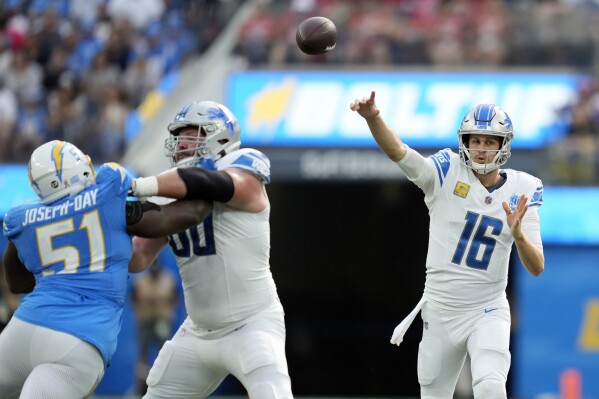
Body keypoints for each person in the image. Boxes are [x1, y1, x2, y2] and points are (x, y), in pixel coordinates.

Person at [350, 92, 544, 399]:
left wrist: (519, 235)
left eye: (489, 142)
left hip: (488, 307)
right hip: (441, 308)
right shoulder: (445, 172)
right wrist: (374, 118)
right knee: (434, 394)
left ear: (503, 145)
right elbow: (399, 153)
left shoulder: (523, 189)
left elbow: (536, 267)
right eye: (475, 141)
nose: (480, 150)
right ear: (465, 142)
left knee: (491, 387)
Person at [0, 139, 213, 398]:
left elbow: (17, 283)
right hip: (81, 338)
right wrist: (210, 175)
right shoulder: (106, 198)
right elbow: (191, 213)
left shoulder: (22, 218)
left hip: (24, 329)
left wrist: (57, 273)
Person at [128, 100, 294, 399]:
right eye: (178, 137)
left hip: (252, 324)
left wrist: (139, 186)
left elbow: (217, 185)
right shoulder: (170, 187)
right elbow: (139, 256)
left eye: (190, 134)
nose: (180, 144)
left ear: (219, 136)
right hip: (197, 332)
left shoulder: (242, 165)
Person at [131, 256, 178, 394]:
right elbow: (132, 299)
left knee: (163, 352)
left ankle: (164, 383)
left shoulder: (168, 278)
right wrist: (144, 303)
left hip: (162, 320)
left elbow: (176, 298)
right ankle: (141, 386)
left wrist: (162, 302)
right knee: (143, 353)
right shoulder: (141, 281)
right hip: (145, 320)